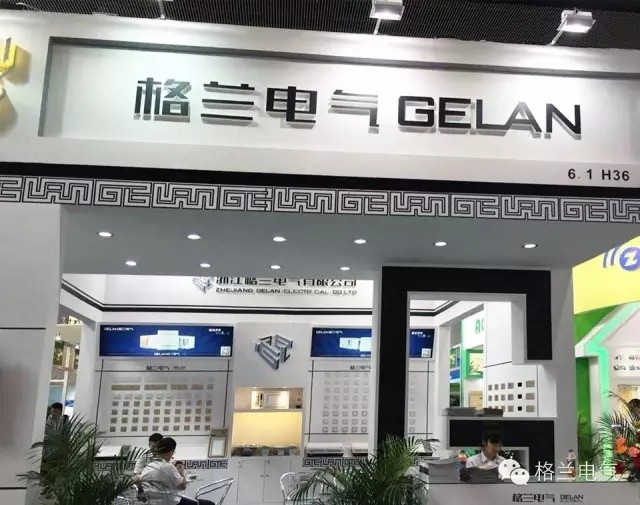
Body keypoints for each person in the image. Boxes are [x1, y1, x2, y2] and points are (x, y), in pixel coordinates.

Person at [140, 437, 214, 505]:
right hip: (172, 503)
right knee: (209, 503)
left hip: (153, 503)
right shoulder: (168, 467)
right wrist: (181, 471)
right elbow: (183, 486)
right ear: (170, 452)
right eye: (173, 452)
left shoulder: (147, 467)